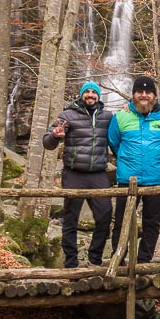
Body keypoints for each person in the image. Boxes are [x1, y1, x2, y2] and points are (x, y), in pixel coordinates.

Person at [42, 81, 113, 268]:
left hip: (98, 173)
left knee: (105, 215)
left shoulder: (108, 116)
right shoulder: (67, 115)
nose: (90, 95)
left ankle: (95, 258)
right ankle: (71, 263)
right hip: (74, 173)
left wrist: (128, 108)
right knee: (71, 218)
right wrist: (55, 136)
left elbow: (119, 135)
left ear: (98, 96)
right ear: (81, 95)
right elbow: (47, 143)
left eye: (94, 92)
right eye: (87, 92)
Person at [108, 75, 160, 264]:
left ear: (154, 95)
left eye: (148, 92)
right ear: (133, 94)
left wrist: (157, 157)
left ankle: (144, 263)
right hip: (127, 178)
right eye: (140, 92)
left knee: (151, 223)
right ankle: (119, 260)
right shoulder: (121, 116)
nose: (144, 95)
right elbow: (114, 143)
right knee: (122, 222)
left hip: (158, 178)